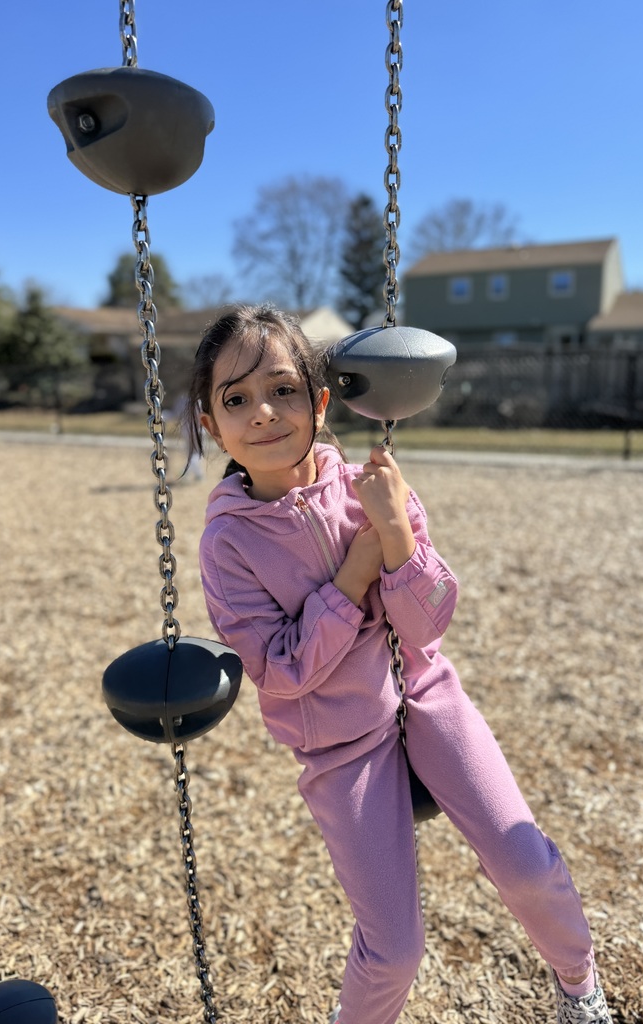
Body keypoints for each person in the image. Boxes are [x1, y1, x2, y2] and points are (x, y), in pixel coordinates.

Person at [182, 304, 613, 1024]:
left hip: (426, 696)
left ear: (320, 403)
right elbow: (282, 673)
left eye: (283, 388)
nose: (263, 412)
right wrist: (353, 577)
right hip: (338, 745)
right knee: (394, 952)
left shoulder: (373, 486)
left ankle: (580, 980)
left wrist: (392, 529)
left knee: (527, 864)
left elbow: (432, 615)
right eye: (236, 398)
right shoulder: (228, 545)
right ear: (210, 424)